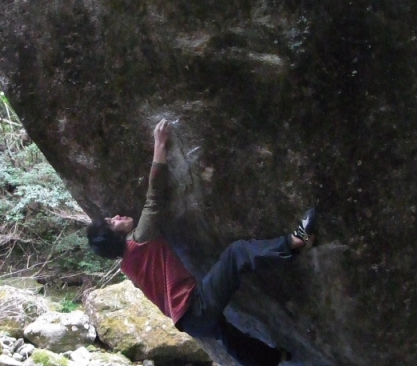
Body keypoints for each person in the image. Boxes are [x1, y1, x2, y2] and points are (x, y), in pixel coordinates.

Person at [86, 119, 315, 349]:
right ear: (116, 237)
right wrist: (159, 144)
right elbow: (154, 196)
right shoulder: (139, 240)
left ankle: (274, 359)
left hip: (189, 324)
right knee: (237, 253)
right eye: (112, 222)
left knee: (228, 335)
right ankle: (297, 240)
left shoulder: (126, 267)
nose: (117, 216)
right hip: (196, 306)